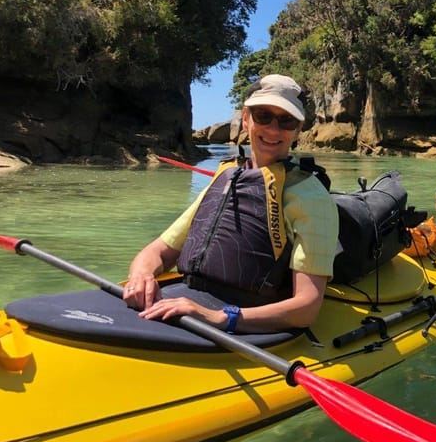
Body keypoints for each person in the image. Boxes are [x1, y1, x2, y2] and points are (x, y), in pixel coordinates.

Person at [124, 74, 339, 333]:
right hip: (187, 298)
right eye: (263, 116)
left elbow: (306, 307)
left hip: (238, 315)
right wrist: (142, 275)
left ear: (298, 129)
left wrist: (220, 317)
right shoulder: (227, 176)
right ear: (246, 119)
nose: (273, 129)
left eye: (286, 121)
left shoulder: (309, 197)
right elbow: (158, 252)